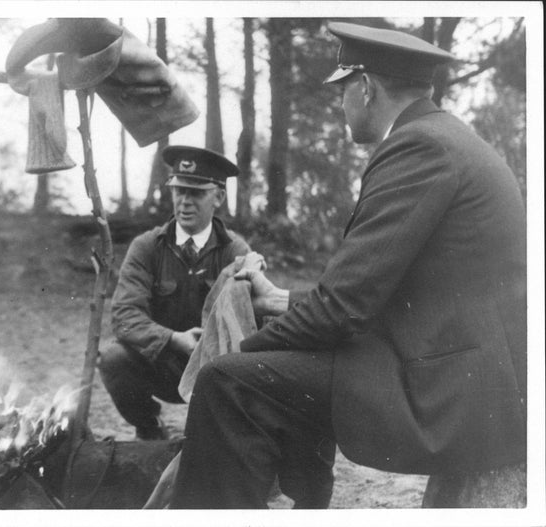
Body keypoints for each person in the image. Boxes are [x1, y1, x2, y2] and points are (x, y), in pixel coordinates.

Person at [170, 22, 527, 508]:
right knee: (284, 372)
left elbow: (343, 308)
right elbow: (384, 290)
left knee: (227, 380)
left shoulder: (418, 147)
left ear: (365, 87)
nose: (341, 105)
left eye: (342, 92)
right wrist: (277, 300)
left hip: (448, 395)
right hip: (464, 372)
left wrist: (243, 346)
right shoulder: (445, 137)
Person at [98, 146, 250, 440]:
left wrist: (210, 346)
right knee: (114, 358)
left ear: (217, 197)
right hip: (162, 362)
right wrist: (173, 340)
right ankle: (149, 428)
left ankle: (225, 437)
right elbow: (125, 316)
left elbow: (250, 322)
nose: (184, 202)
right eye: (179, 191)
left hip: (215, 367)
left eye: (196, 193)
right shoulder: (147, 246)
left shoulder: (235, 250)